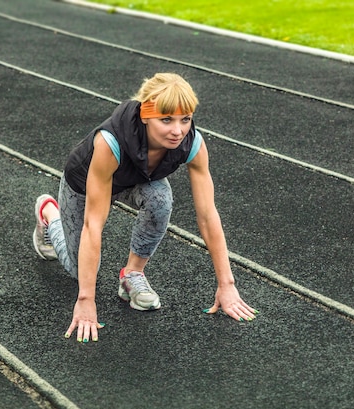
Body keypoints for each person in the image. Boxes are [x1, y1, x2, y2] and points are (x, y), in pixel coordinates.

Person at [32, 73, 257, 343]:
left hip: (137, 179)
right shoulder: (109, 142)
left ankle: (132, 274)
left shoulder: (192, 143)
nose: (178, 130)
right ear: (146, 116)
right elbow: (94, 224)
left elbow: (208, 216)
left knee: (161, 200)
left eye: (184, 119)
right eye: (166, 120)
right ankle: (49, 213)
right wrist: (86, 299)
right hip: (86, 182)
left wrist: (227, 285)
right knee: (75, 268)